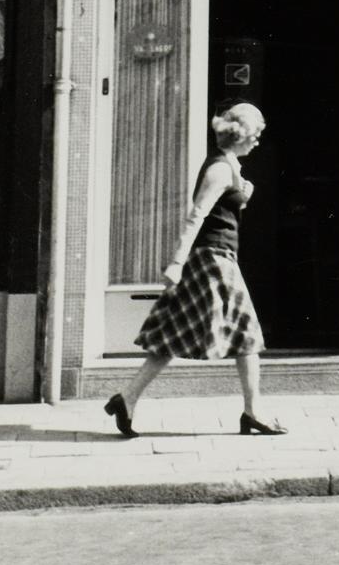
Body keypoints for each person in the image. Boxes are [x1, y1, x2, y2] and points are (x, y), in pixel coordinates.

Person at [104, 101, 285, 438]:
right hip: (213, 261)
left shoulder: (230, 166)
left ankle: (126, 398)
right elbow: (197, 215)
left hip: (214, 258)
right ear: (240, 135)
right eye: (255, 134)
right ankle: (253, 412)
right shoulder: (220, 170)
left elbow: (222, 210)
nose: (258, 140)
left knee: (172, 334)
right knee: (247, 333)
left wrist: (244, 195)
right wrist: (176, 262)